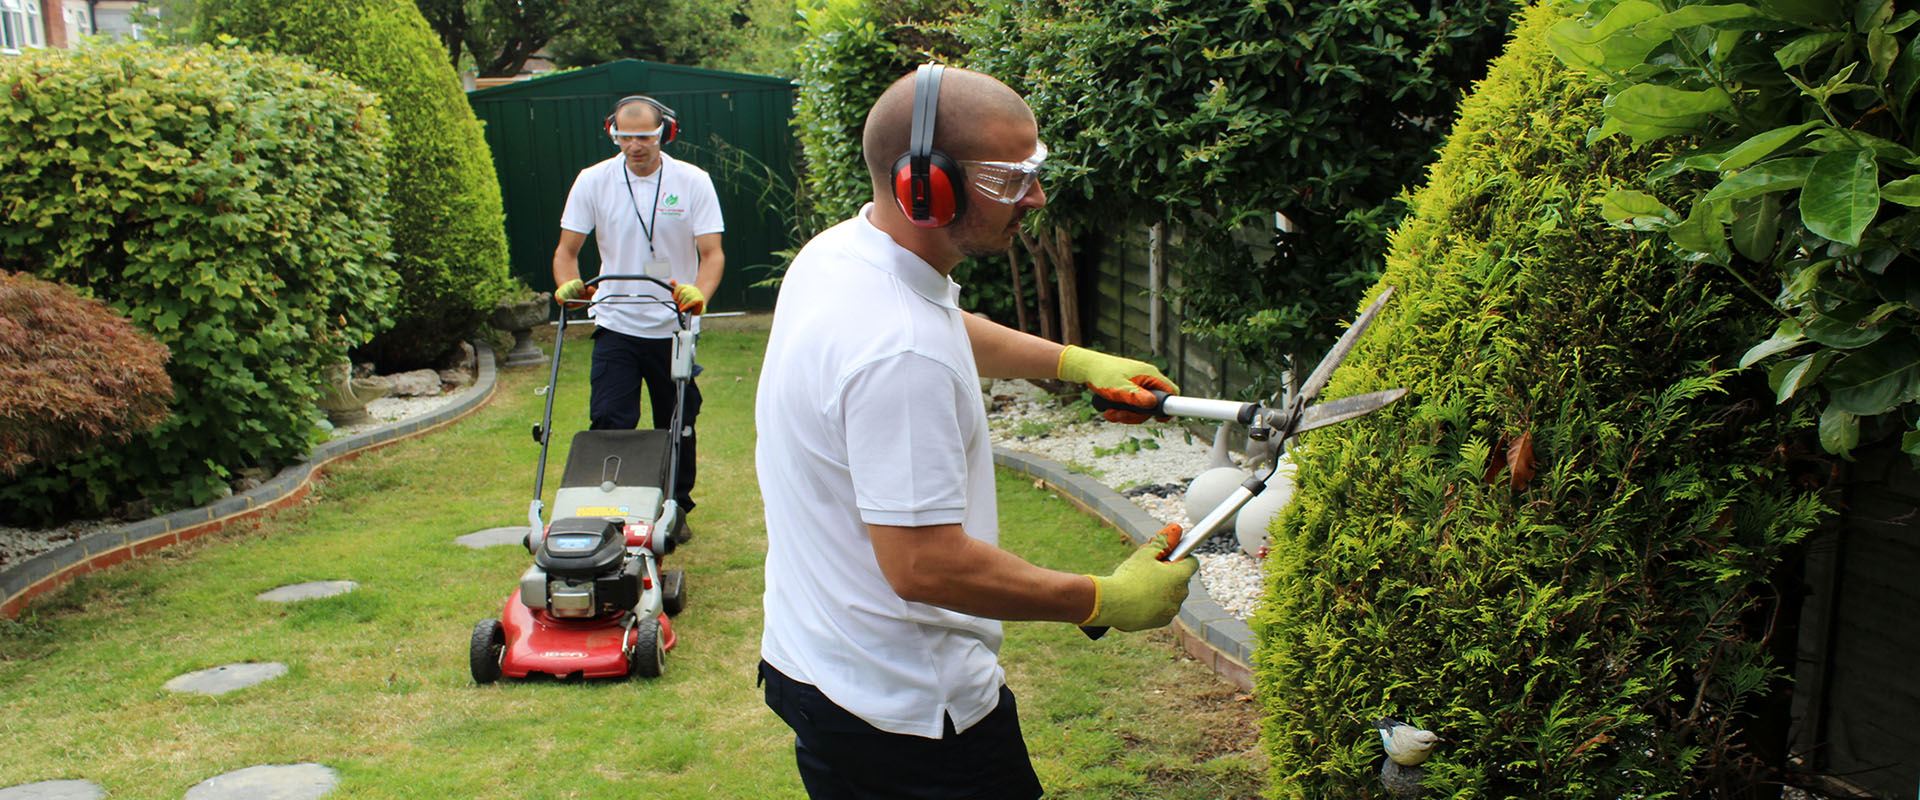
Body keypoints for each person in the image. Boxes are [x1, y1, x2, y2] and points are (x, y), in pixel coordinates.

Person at [754, 64, 1199, 799]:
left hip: (817, 665)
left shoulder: (840, 254)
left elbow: (945, 324)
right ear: (921, 186)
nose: (1036, 197)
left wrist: (1075, 361)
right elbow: (925, 566)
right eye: (1009, 179)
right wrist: (1101, 598)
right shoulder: (900, 354)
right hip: (911, 717)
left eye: (1034, 170)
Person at [552, 95, 724, 538]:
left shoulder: (692, 181)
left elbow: (711, 254)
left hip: (673, 324)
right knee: (610, 419)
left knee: (677, 419)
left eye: (644, 137)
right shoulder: (593, 181)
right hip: (615, 320)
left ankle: (675, 508)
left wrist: (698, 296)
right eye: (624, 138)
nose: (634, 146)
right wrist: (569, 286)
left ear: (665, 133)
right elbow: (567, 252)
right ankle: (613, 511)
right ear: (614, 134)